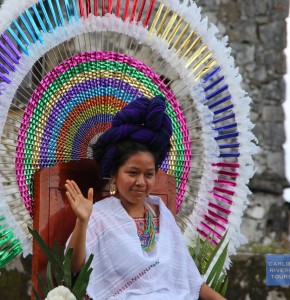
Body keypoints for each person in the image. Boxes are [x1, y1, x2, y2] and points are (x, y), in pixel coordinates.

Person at [65, 96, 226, 300]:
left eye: (148, 174)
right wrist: (82, 221)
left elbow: (190, 280)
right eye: (132, 173)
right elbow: (73, 267)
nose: (141, 182)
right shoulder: (99, 216)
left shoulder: (162, 215)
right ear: (114, 174)